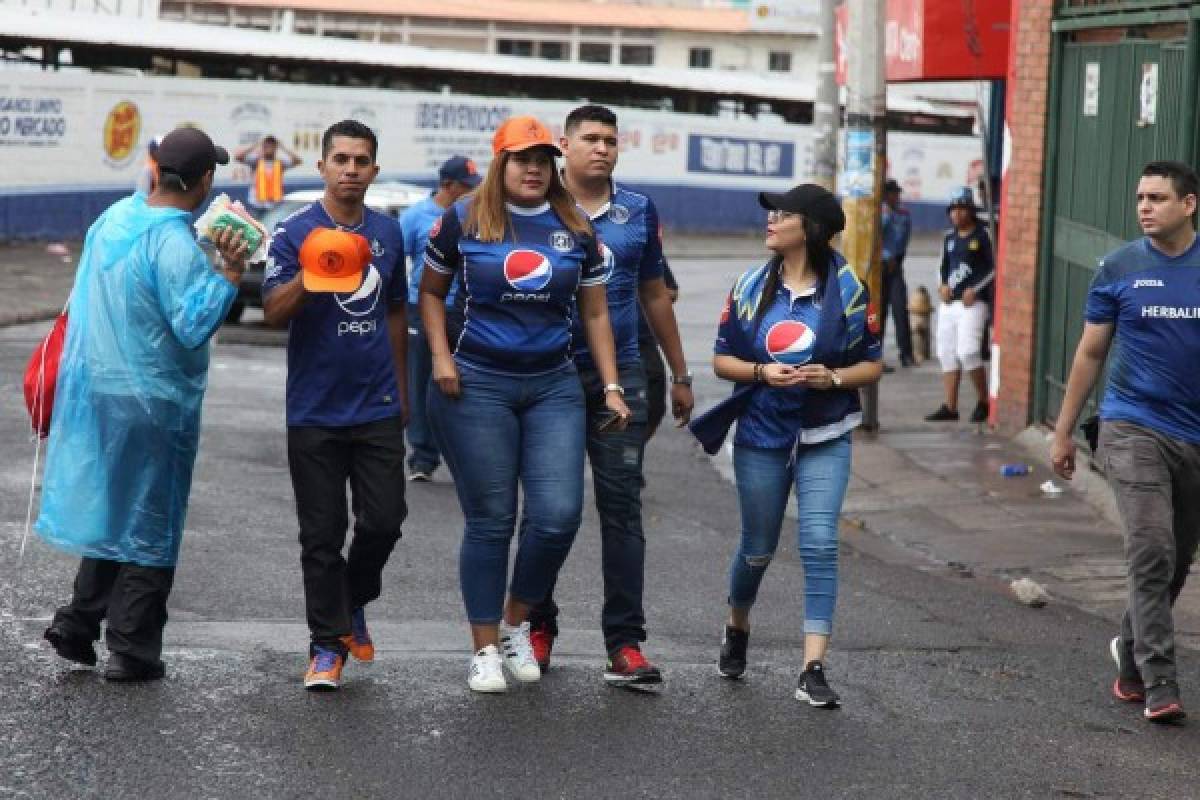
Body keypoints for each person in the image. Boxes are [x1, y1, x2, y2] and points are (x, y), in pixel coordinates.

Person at [420, 115, 630, 694]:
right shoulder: (463, 218)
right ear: (501, 164)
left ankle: (515, 623)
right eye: (521, 158)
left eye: (541, 158)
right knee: (491, 519)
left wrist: (611, 386)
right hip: (477, 383)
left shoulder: (576, 226)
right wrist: (441, 357)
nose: (533, 168)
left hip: (552, 385)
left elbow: (594, 314)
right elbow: (431, 295)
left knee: (559, 514)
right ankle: (484, 648)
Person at [39, 127, 248, 682]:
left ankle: (77, 624)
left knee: (113, 509)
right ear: (204, 181)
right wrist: (230, 270)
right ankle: (132, 647)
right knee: (151, 519)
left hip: (99, 392)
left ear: (154, 171)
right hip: (154, 401)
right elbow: (192, 324)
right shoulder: (173, 243)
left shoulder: (114, 219)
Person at [689, 184, 882, 708]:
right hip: (762, 432)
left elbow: (872, 364)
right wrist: (759, 371)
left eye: (784, 213)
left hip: (825, 434)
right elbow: (721, 359)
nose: (771, 220)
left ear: (812, 228)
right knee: (757, 549)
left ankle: (812, 667)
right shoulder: (751, 286)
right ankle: (737, 624)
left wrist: (834, 378)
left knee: (820, 544)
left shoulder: (849, 288)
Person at [524, 104, 694, 688]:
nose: (602, 148)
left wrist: (680, 372)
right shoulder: (535, 202)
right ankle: (535, 627)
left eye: (611, 140)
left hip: (622, 374)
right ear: (563, 147)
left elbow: (654, 292)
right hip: (545, 375)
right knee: (550, 510)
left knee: (622, 507)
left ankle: (624, 644)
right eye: (590, 139)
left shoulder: (637, 210)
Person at [1052, 160, 1200, 725]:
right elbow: (1090, 353)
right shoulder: (1118, 267)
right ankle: (1161, 680)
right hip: (1131, 424)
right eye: (1141, 196)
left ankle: (1130, 652)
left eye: (1158, 198)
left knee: (1178, 560)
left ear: (1188, 205)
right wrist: (1064, 431)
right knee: (1151, 548)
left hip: (1194, 435)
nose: (1144, 206)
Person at [262, 120, 408, 691]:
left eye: (362, 160)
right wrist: (312, 270)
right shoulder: (293, 230)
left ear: (374, 170)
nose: (351, 169)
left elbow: (395, 310)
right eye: (341, 159)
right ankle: (327, 647)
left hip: (376, 403)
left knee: (385, 522)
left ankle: (351, 600)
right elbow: (273, 311)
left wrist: (403, 387)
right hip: (314, 409)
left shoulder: (389, 235)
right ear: (322, 166)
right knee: (320, 536)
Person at [399, 155, 481, 482]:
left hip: (464, 312)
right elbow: (393, 259)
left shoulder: (474, 216)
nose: (472, 192)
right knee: (420, 383)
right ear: (447, 185)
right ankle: (422, 456)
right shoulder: (416, 217)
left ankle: (465, 456)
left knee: (465, 384)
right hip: (420, 309)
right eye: (466, 186)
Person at [925, 187, 993, 423]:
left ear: (971, 210)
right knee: (946, 352)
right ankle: (950, 406)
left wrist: (976, 288)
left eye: (962, 208)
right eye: (953, 209)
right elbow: (941, 266)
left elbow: (993, 268)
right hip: (950, 304)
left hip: (973, 304)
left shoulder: (983, 236)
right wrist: (941, 285)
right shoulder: (949, 237)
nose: (957, 214)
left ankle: (984, 400)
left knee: (969, 351)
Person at [639, 261, 680, 442]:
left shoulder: (638, 234)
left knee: (652, 408)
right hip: (578, 355)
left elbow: (668, 291)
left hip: (639, 345)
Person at [880, 179, 915, 369]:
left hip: (895, 266)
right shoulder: (878, 213)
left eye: (896, 193)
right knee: (879, 312)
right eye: (890, 194)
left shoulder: (904, 215)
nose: (894, 197)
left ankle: (906, 354)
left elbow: (904, 240)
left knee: (900, 309)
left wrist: (896, 260)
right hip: (879, 267)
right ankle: (876, 356)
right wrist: (884, 215)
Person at [236, 134, 302, 218]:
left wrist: (283, 147)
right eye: (267, 145)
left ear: (276, 147)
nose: (269, 147)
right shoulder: (256, 161)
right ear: (263, 146)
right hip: (256, 205)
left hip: (274, 206)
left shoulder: (280, 163)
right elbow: (238, 157)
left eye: (272, 145)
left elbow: (298, 161)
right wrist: (256, 145)